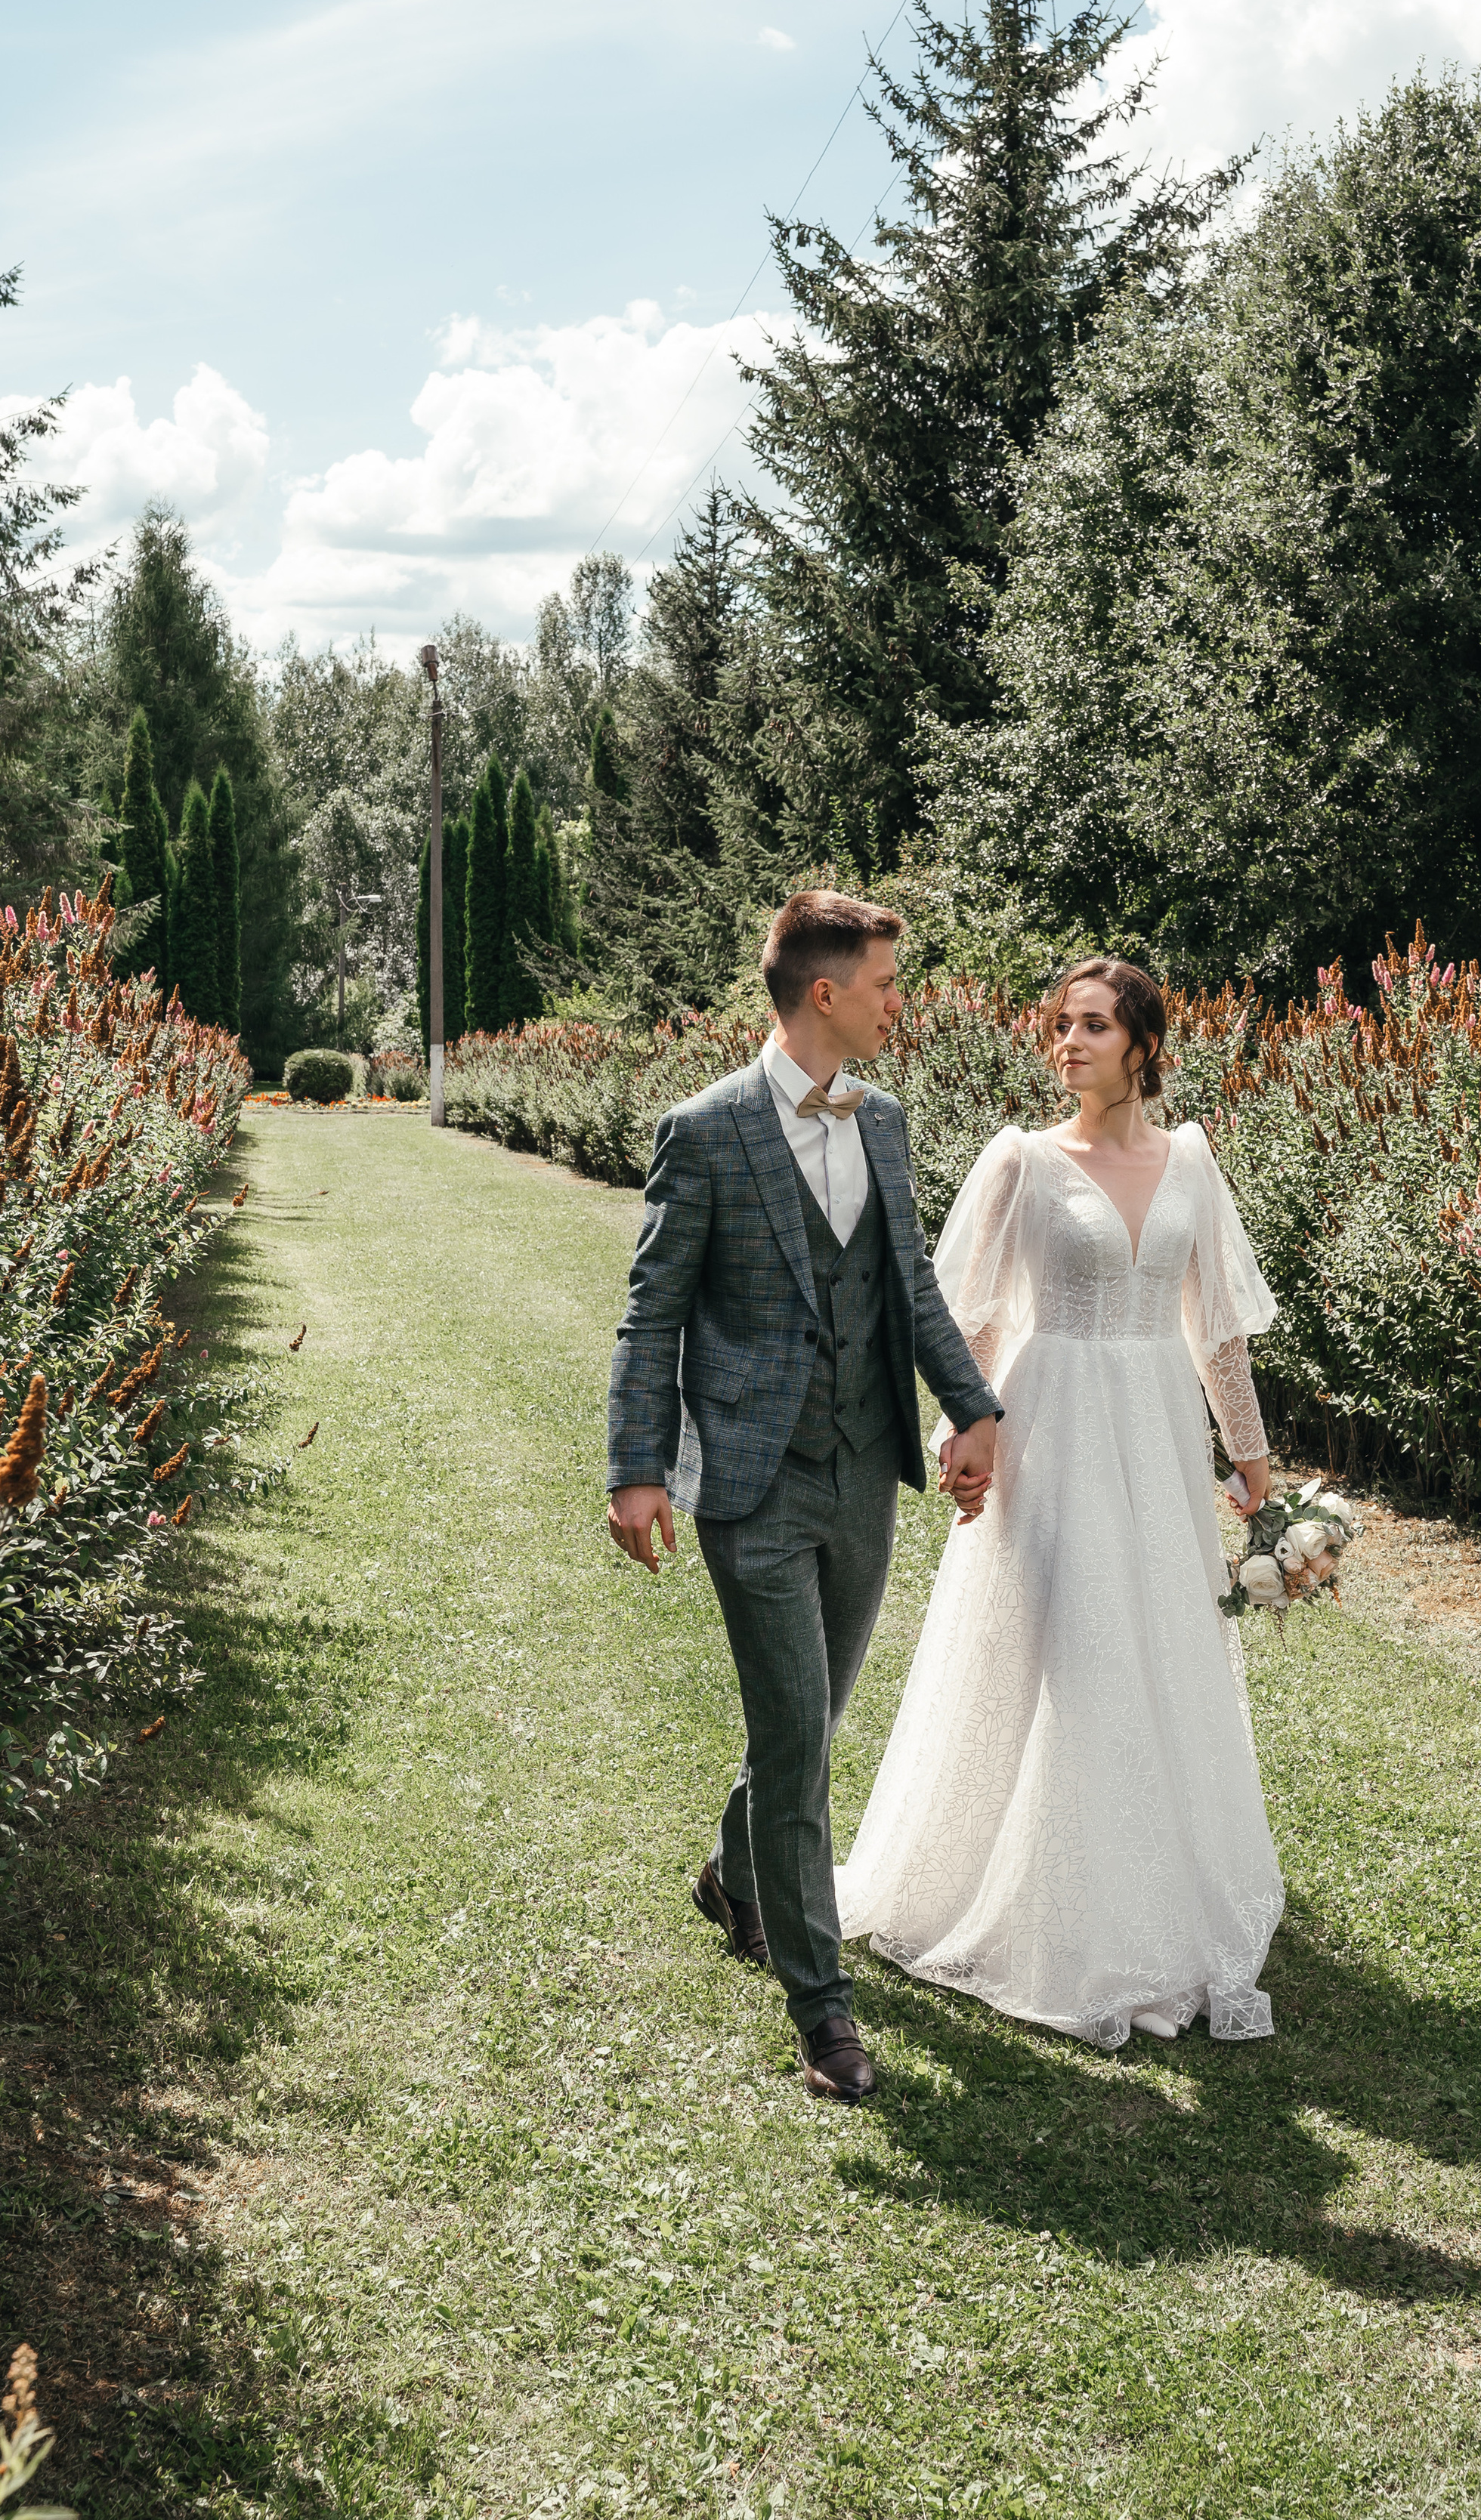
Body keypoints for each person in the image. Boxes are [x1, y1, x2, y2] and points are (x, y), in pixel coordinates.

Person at [834, 956, 1287, 2048]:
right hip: (1050, 1429)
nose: (1067, 1043)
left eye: (1092, 1025)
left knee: (1154, 1647)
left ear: (1142, 1041)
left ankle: (1154, 1881)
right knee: (1059, 1646)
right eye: (1058, 1026)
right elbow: (973, 1323)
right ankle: (1035, 1892)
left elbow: (1215, 1323)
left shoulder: (1190, 1158)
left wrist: (1253, 1460)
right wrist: (963, 1439)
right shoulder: (1021, 1160)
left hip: (1158, 1435)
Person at [606, 891, 1003, 2105]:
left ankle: (736, 1875)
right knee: (796, 1737)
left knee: (812, 1723)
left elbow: (912, 1285)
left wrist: (972, 1405)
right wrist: (635, 1467)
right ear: (824, 993)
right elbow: (653, 1310)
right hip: (752, 1478)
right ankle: (823, 2011)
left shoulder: (882, 1120)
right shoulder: (706, 1130)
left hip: (864, 1470)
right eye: (888, 981)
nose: (902, 1000)